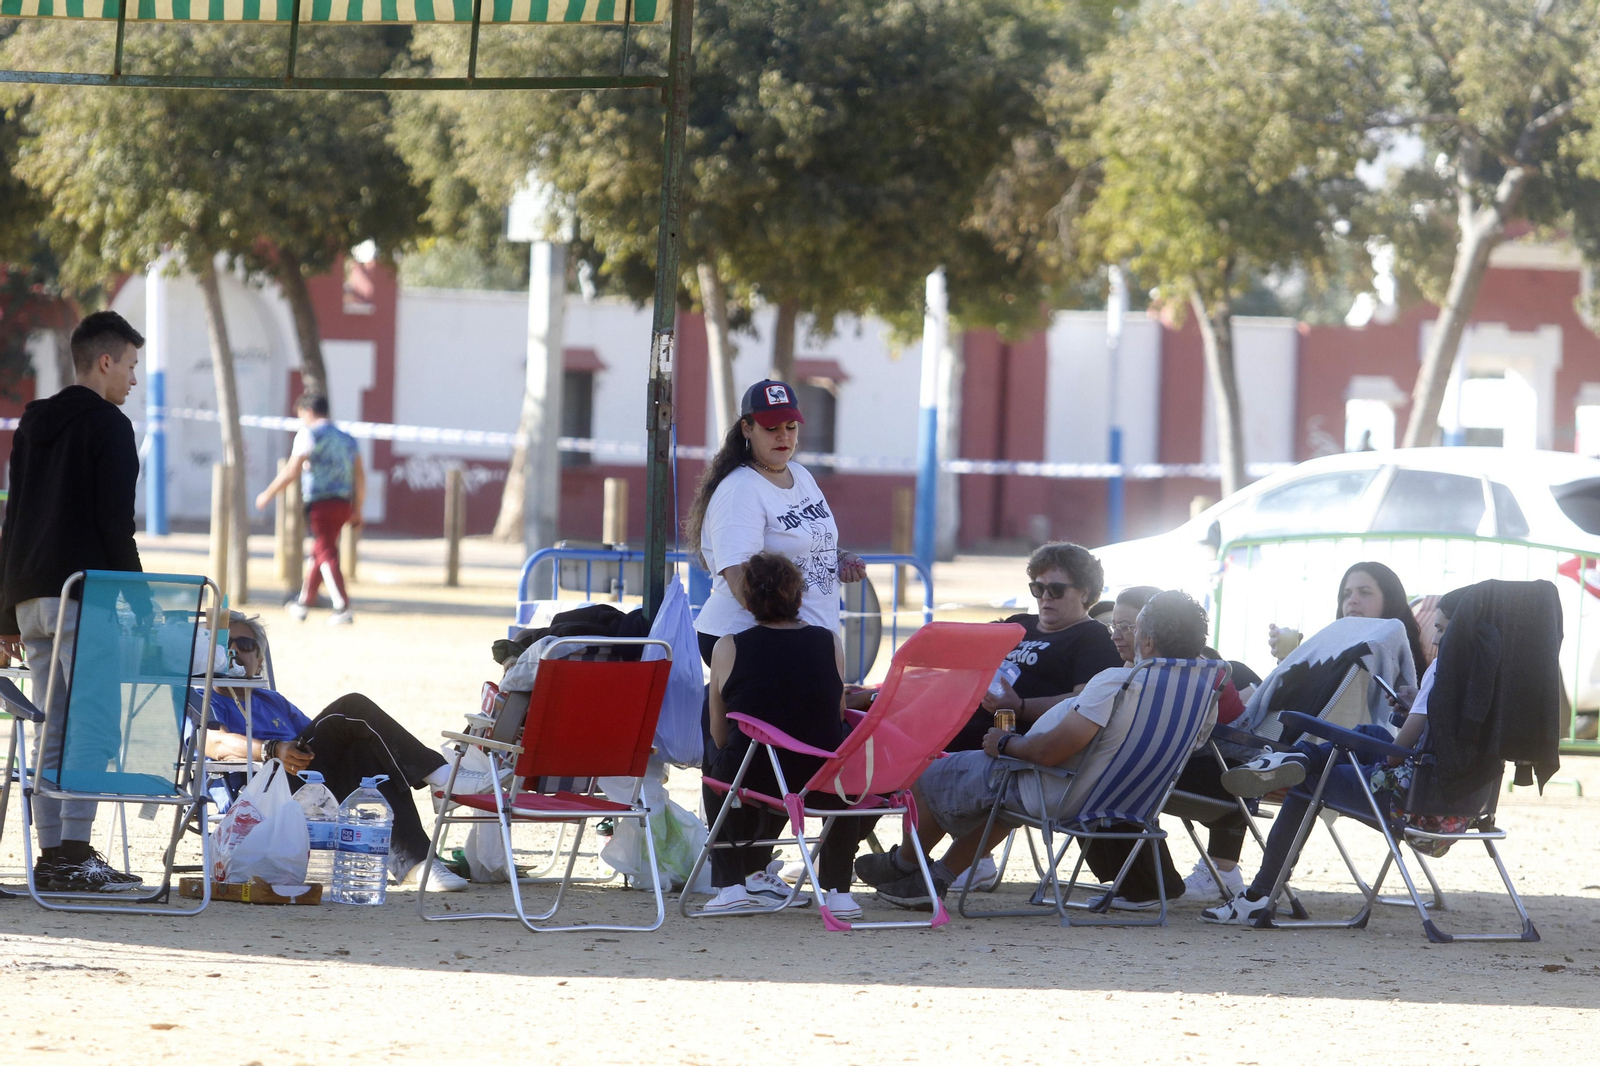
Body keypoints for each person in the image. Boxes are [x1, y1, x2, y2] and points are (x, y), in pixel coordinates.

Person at [856, 591, 1213, 910]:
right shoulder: (1202, 690)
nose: (1116, 634)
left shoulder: (1117, 683)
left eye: (1127, 628)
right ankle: (935, 878)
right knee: (1008, 803)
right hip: (1130, 801)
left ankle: (904, 862)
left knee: (927, 773)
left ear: (1147, 643)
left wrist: (1006, 743)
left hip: (1064, 791)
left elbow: (1050, 753)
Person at [0, 311, 149, 892]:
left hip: (33, 601)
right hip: (83, 597)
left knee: (51, 725)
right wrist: (140, 603)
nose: (134, 380)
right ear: (105, 361)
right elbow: (117, 525)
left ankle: (54, 855)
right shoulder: (110, 426)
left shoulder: (35, 420)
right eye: (131, 366)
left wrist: (4, 611)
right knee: (93, 724)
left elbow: (14, 518)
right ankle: (77, 851)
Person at [1200, 596, 1455, 925]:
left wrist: (1415, 713)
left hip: (1413, 801)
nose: (1434, 639)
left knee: (1312, 779)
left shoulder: (1442, 673)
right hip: (1456, 804)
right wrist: (1414, 710)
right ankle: (1299, 760)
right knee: (1368, 735)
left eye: (1442, 629)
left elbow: (1395, 757)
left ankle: (1260, 895)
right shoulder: (1495, 679)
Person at [199, 612, 495, 892]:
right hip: (256, 796)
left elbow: (321, 734)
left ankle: (418, 866)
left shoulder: (271, 700)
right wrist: (272, 749)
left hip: (304, 787)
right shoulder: (203, 697)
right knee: (351, 708)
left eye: (246, 644)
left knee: (364, 752)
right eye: (225, 644)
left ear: (259, 661)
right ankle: (443, 777)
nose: (236, 650)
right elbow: (214, 744)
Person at [699, 554, 864, 918]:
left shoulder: (728, 646)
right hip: (819, 775)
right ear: (799, 598)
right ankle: (838, 891)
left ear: (747, 601)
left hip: (754, 770)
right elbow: (835, 712)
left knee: (715, 752)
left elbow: (719, 734)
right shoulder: (828, 641)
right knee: (839, 758)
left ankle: (730, 884)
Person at [686, 380, 865, 672]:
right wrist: (791, 637)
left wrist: (840, 557)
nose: (783, 436)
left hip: (808, 638)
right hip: (753, 639)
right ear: (747, 428)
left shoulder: (801, 475)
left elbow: (808, 541)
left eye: (790, 426)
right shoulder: (740, 491)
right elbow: (740, 581)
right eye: (771, 428)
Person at [255, 393, 363, 625]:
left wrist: (268, 494)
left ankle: (342, 606)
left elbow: (292, 470)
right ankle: (304, 603)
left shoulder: (308, 434)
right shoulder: (347, 438)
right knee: (320, 551)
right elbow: (360, 475)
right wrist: (358, 507)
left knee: (326, 552)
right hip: (344, 502)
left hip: (321, 502)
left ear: (307, 411)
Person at [1267, 561, 1426, 673]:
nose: (1352, 600)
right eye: (1346, 594)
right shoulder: (1332, 646)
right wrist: (1288, 658)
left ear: (1390, 600)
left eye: (1364, 592)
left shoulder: (1393, 656)